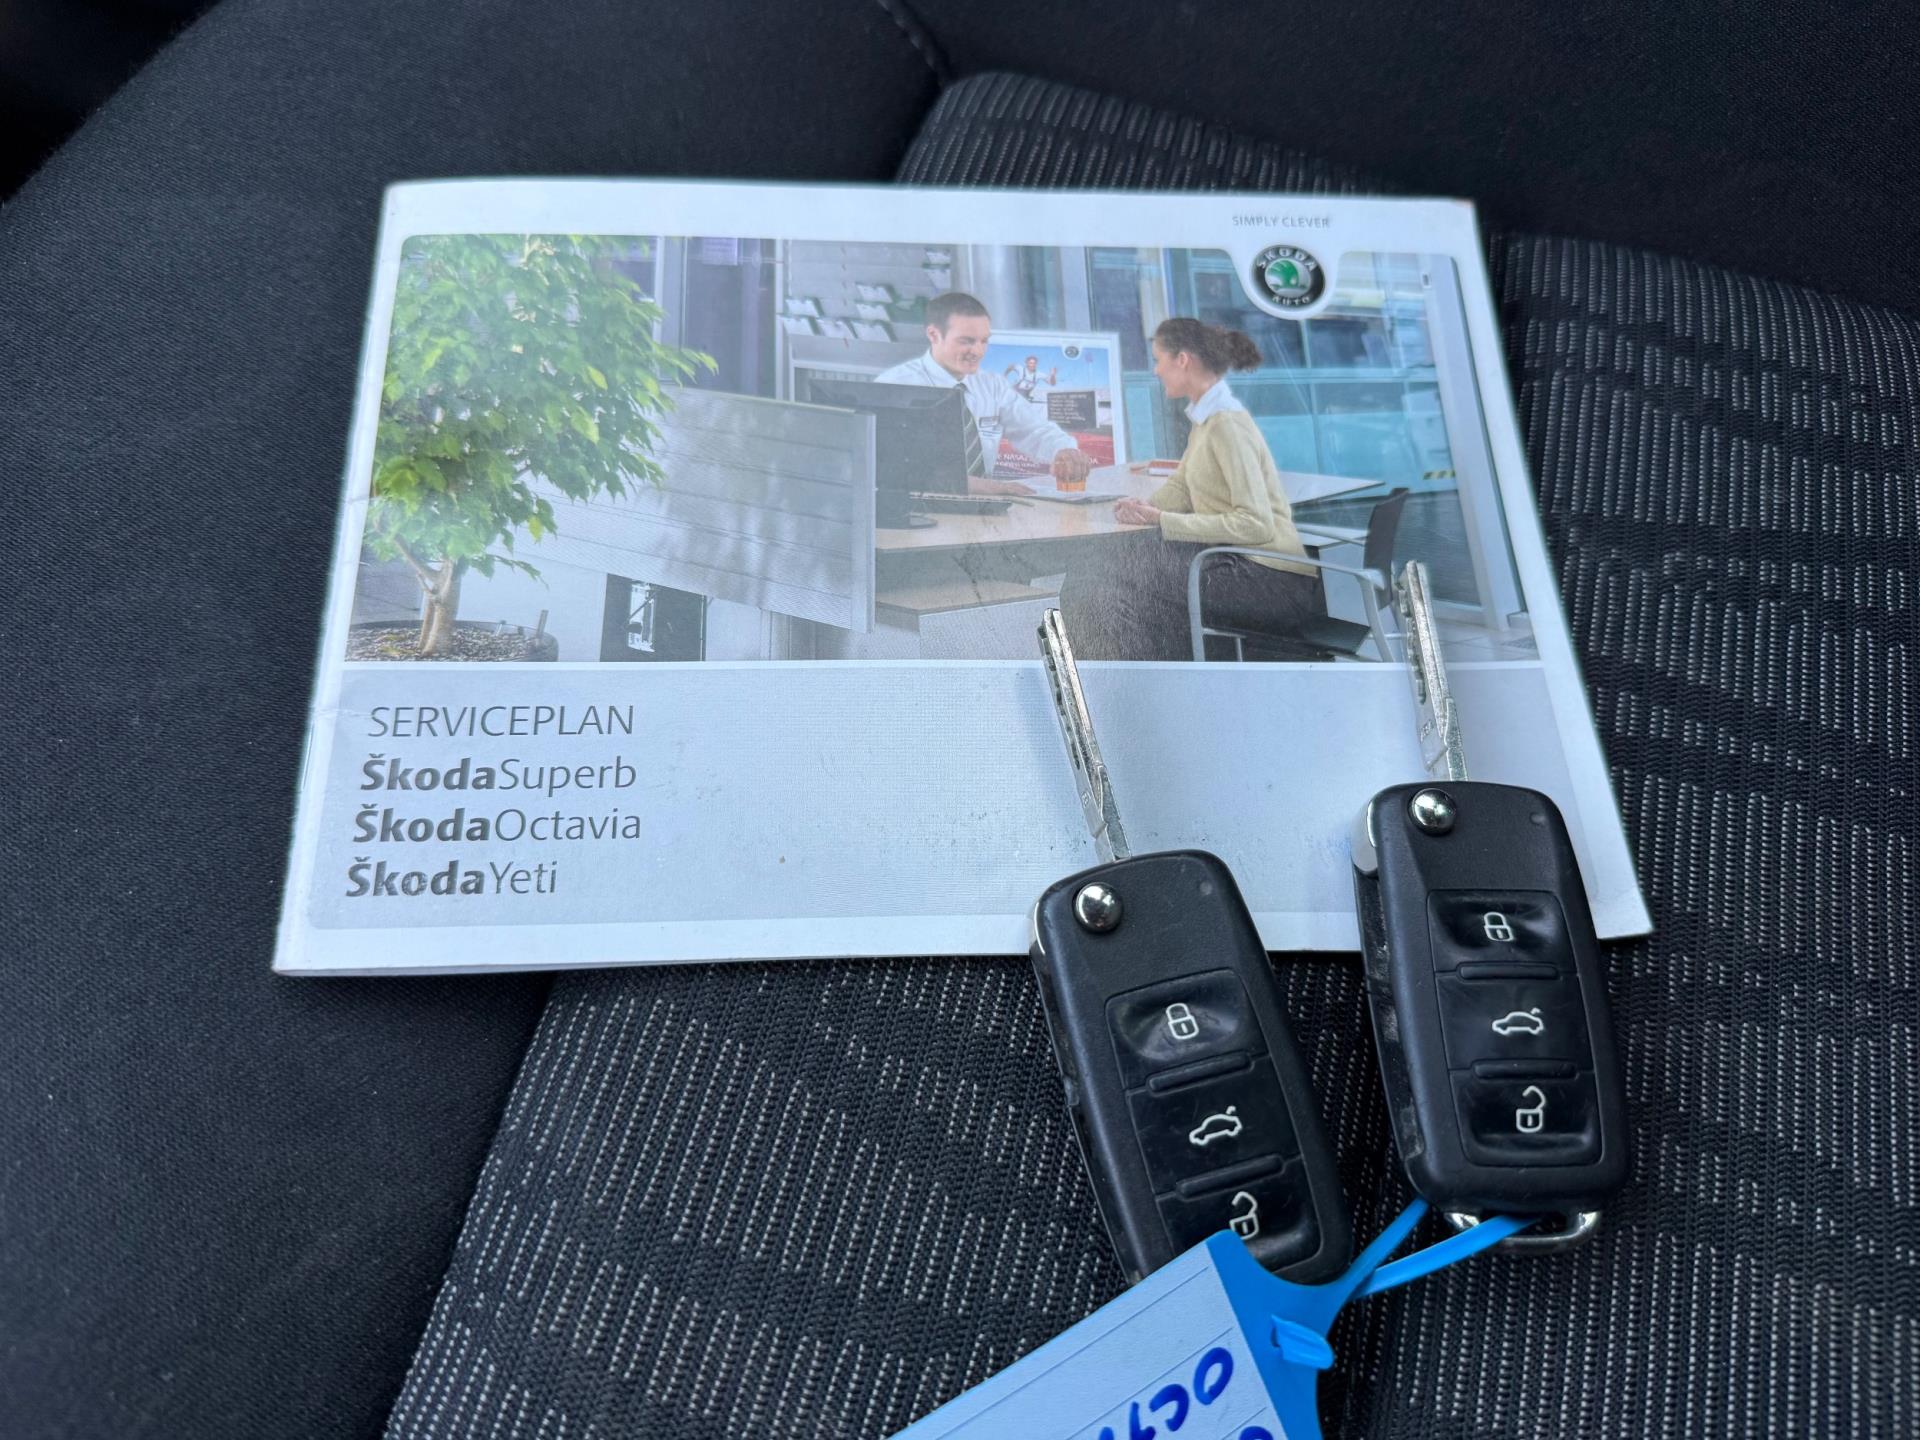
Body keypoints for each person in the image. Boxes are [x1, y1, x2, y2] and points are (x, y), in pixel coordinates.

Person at [1059, 317, 1321, 660]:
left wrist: (1161, 520)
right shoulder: (1206, 420)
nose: (1156, 370)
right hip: (1240, 564)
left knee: (1102, 576)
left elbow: (1255, 524)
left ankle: (1122, 675)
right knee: (1104, 573)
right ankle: (1132, 672)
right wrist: (1142, 509)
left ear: (1182, 360)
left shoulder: (1226, 425)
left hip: (1271, 580)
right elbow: (1183, 487)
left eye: (1159, 360)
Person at [875, 292, 1094, 495]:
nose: (978, 352)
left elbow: (1035, 430)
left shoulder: (991, 385)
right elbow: (897, 469)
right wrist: (992, 487)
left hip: (985, 507)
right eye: (966, 341)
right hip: (917, 510)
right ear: (934, 335)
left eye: (984, 341)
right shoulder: (894, 385)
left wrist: (1063, 451)